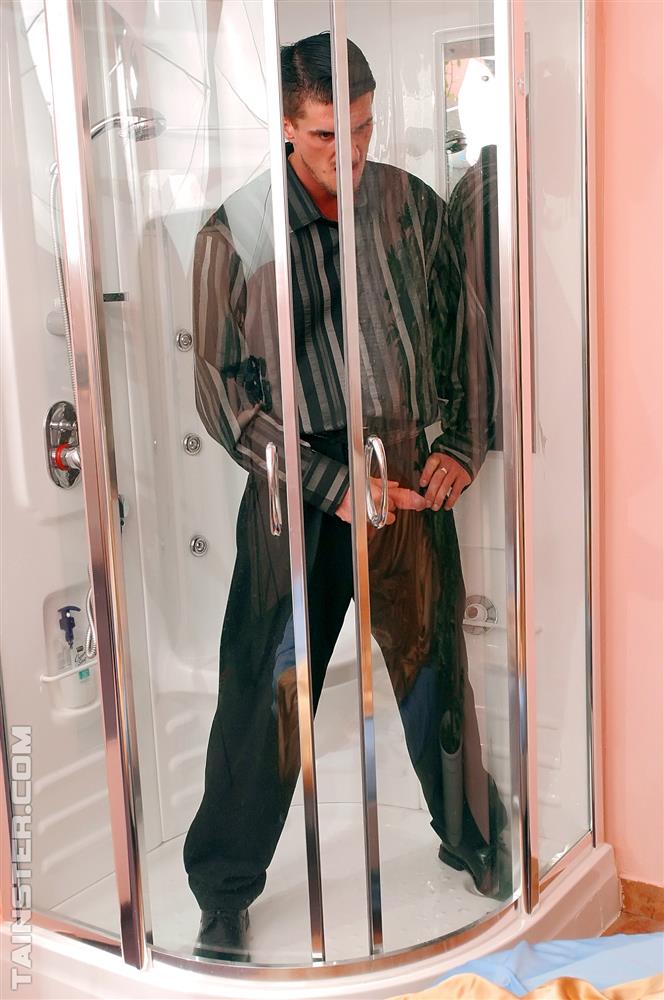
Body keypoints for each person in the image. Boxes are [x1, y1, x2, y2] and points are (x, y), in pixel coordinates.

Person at [183, 32, 506, 962]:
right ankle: (224, 889)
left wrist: (461, 441)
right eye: (330, 134)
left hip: (403, 476)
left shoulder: (412, 204)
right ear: (287, 125)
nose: (353, 150)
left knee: (434, 668)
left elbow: (464, 325)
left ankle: (472, 838)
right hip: (298, 493)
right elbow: (223, 399)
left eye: (363, 126)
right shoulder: (235, 235)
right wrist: (331, 484)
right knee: (265, 695)